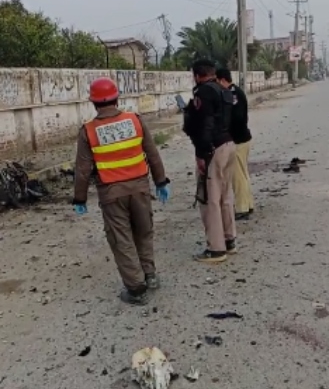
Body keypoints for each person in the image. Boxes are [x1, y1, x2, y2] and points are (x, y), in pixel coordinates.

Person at [72, 77, 171, 305]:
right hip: (140, 188)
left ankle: (136, 289)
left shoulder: (88, 131)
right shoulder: (135, 120)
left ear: (94, 103)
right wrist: (161, 181)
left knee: (121, 238)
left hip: (111, 193)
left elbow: (83, 169)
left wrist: (80, 197)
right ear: (117, 98)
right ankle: (150, 275)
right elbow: (152, 153)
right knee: (143, 231)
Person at [182, 59, 237, 263]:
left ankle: (216, 249)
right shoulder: (224, 91)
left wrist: (201, 154)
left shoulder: (203, 92)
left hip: (213, 149)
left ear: (197, 75)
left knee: (210, 199)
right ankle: (229, 239)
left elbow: (204, 125)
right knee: (226, 195)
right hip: (229, 145)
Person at [215, 68, 254, 220]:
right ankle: (248, 204)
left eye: (217, 82)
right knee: (243, 175)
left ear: (222, 80)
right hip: (243, 138)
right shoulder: (234, 92)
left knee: (237, 176)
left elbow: (236, 118)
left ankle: (242, 208)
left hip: (238, 140)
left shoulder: (233, 94)